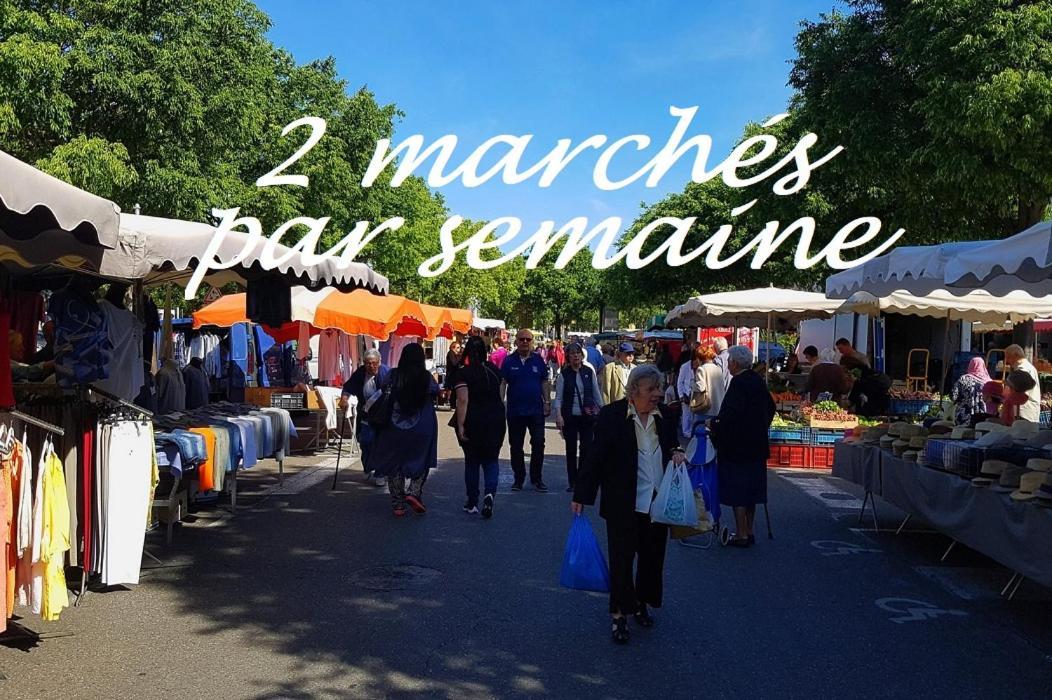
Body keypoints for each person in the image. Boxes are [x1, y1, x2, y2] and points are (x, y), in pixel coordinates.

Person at [571, 364, 686, 644]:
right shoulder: (613, 415)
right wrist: (581, 495)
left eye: (659, 388)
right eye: (651, 389)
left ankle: (641, 604)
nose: (657, 394)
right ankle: (619, 614)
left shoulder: (665, 416)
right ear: (634, 391)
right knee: (622, 560)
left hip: (656, 504)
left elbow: (673, 444)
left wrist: (677, 452)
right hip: (624, 502)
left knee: (651, 559)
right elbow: (595, 457)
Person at [710, 345, 776, 548]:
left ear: (735, 364)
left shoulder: (738, 383)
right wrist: (760, 426)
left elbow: (729, 415)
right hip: (756, 444)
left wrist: (714, 426)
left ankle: (741, 534)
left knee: (738, 490)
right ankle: (750, 530)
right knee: (752, 491)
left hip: (737, 446)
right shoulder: (757, 380)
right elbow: (771, 407)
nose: (728, 364)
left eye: (729, 361)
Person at [369, 343, 439, 517]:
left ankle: (398, 503)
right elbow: (435, 392)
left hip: (394, 427)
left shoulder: (392, 375)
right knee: (422, 458)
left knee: (395, 463)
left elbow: (383, 390)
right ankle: (414, 492)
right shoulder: (427, 378)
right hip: (422, 426)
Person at [451, 336, 506, 518]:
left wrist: (460, 425)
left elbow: (462, 400)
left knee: (472, 461)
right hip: (496, 419)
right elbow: (499, 395)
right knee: (491, 460)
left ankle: (472, 501)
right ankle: (490, 493)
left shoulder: (463, 373)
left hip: (474, 419)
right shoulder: (494, 370)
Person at [501, 328, 552, 491]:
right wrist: (500, 402)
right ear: (516, 341)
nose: (524, 342)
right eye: (521, 339)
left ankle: (537, 478)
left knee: (538, 443)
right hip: (515, 411)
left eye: (527, 340)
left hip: (535, 411)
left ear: (532, 342)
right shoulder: (508, 361)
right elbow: (503, 382)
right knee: (516, 446)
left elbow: (545, 382)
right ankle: (518, 478)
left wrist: (547, 402)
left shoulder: (538, 361)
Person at [553, 343, 603, 493]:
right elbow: (559, 397)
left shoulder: (588, 372)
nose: (576, 356)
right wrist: (559, 415)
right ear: (568, 356)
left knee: (586, 448)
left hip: (587, 416)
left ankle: (582, 479)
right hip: (570, 416)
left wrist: (603, 410)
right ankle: (572, 481)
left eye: (578, 353)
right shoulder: (564, 374)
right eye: (572, 353)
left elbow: (596, 393)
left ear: (582, 355)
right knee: (571, 449)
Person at [340, 349, 390, 486]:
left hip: (382, 415)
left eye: (374, 363)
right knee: (366, 441)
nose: (371, 367)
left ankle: (380, 473)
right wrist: (344, 399)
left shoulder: (386, 373)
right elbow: (348, 387)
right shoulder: (361, 372)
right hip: (366, 413)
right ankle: (368, 466)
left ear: (379, 362)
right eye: (368, 363)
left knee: (380, 444)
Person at [1005, 344, 1041, 422]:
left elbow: (1019, 393)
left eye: (1008, 357)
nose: (1007, 361)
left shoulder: (1023, 369)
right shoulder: (1025, 367)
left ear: (1016, 355)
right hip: (1025, 411)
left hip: (1023, 412)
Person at [952, 357, 991, 425]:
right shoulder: (989, 382)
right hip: (984, 420)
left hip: (963, 419)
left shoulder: (963, 379)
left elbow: (953, 397)